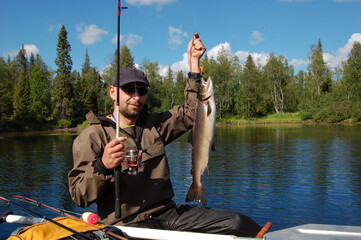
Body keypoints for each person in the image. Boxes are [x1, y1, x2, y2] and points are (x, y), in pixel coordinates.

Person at [68, 33, 262, 237]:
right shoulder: (92, 137)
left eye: (142, 91)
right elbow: (79, 196)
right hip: (125, 225)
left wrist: (194, 64)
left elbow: (191, 113)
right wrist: (103, 166)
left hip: (168, 214)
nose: (136, 96)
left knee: (238, 223)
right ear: (112, 92)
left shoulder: (154, 125)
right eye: (129, 89)